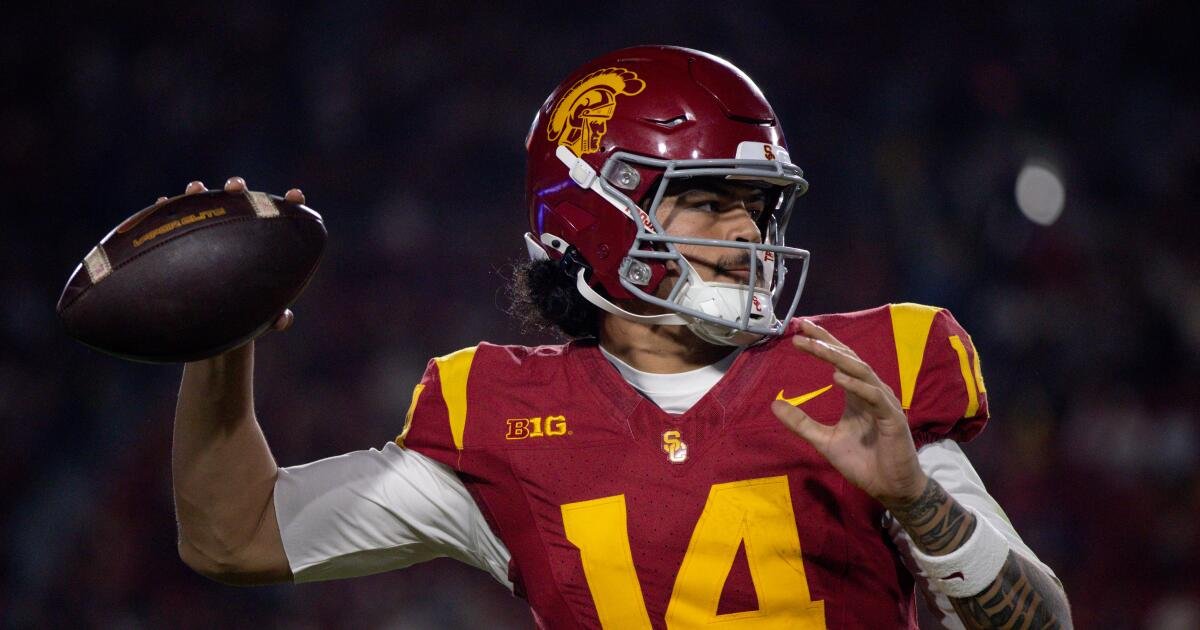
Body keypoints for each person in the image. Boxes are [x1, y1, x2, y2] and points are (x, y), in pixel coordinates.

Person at [170, 46, 1071, 628]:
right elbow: (233, 534)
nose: (748, 233)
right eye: (709, 201)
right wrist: (220, 332)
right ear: (592, 218)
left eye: (759, 207)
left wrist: (919, 502)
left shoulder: (864, 376)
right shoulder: (499, 419)